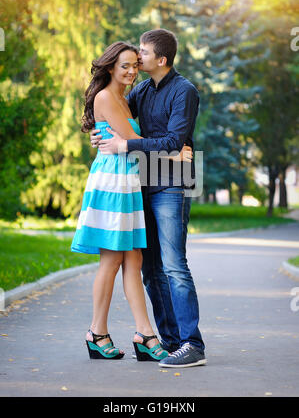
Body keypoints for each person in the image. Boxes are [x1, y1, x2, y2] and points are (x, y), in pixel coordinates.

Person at [90, 29, 206, 368]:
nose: (137, 58)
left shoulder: (185, 92)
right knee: (151, 269)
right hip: (142, 184)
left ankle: (192, 344)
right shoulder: (141, 90)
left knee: (174, 266)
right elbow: (118, 118)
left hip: (173, 185)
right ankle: (170, 341)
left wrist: (125, 146)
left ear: (162, 59)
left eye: (143, 52)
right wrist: (100, 132)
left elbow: (172, 141)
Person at [71, 41, 169, 362]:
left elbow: (128, 142)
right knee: (112, 260)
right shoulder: (106, 97)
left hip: (126, 181)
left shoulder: (125, 99)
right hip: (113, 182)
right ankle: (97, 332)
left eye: (134, 66)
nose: (131, 71)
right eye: (124, 65)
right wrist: (172, 151)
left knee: (134, 260)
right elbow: (135, 141)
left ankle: (143, 333)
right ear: (111, 67)